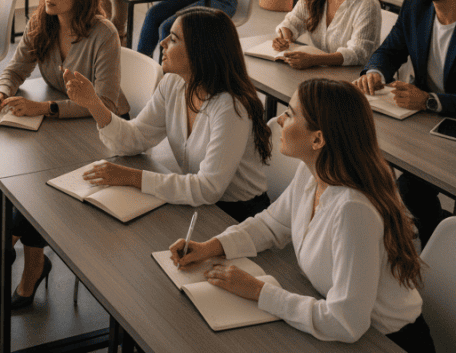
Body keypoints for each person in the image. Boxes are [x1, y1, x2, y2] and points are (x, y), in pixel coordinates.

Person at [171, 79, 434, 353]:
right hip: (349, 331)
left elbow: (347, 322)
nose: (279, 119)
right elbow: (271, 224)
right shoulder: (313, 173)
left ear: (317, 139)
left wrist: (259, 291)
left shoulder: (353, 211)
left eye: (290, 113)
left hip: (388, 343)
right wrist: (210, 247)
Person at [0, 0, 130, 309]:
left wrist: (45, 108)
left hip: (104, 132)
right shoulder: (43, 23)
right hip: (64, 122)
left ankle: (1, 253)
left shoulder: (103, 33)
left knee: (43, 188)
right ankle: (32, 267)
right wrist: (2, 92)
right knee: (35, 185)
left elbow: (106, 103)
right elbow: (15, 67)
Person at [68, 7, 272, 221]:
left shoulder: (231, 107)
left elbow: (209, 188)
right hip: (197, 201)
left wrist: (131, 177)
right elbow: (135, 138)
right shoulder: (173, 83)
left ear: (199, 51)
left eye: (173, 39)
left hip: (237, 214)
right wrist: (94, 104)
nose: (162, 42)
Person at [355, 0, 456, 244]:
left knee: (413, 188)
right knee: (401, 183)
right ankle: (433, 244)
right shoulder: (415, 6)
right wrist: (375, 71)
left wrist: (430, 100)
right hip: (422, 119)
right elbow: (389, 50)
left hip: (442, 115)